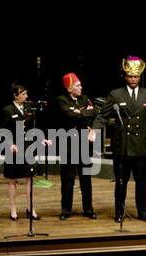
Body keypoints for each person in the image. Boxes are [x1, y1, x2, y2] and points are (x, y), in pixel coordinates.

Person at [93, 56, 146, 223]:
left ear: (140, 77)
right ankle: (120, 211)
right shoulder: (116, 94)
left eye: (135, 77)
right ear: (125, 77)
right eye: (130, 77)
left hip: (141, 146)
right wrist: (95, 130)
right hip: (122, 147)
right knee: (121, 182)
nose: (133, 80)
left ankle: (142, 211)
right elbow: (102, 116)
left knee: (141, 183)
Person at [0, 83, 51, 221]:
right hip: (14, 148)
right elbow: (3, 132)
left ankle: (30, 208)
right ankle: (13, 209)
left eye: (26, 93)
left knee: (29, 178)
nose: (26, 96)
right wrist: (9, 144)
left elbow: (34, 127)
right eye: (22, 94)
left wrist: (41, 139)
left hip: (28, 147)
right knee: (13, 180)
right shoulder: (8, 110)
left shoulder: (29, 108)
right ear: (15, 96)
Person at [55, 72, 97, 220]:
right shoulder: (61, 100)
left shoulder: (84, 99)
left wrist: (80, 113)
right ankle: (66, 209)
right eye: (78, 85)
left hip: (84, 144)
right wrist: (84, 113)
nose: (81, 87)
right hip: (69, 145)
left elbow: (95, 112)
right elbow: (69, 116)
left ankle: (88, 208)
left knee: (86, 177)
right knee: (68, 179)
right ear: (69, 89)